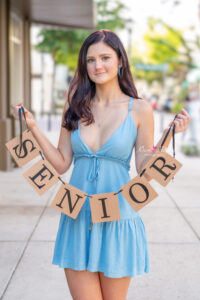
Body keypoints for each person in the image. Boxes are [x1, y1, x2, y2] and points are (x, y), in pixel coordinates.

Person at [13, 29, 190, 300]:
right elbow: (61, 164)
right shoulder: (74, 105)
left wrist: (168, 138)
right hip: (77, 217)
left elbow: (145, 169)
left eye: (105, 57)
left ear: (120, 61)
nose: (98, 66)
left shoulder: (140, 109)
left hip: (118, 219)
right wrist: (34, 128)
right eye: (90, 60)